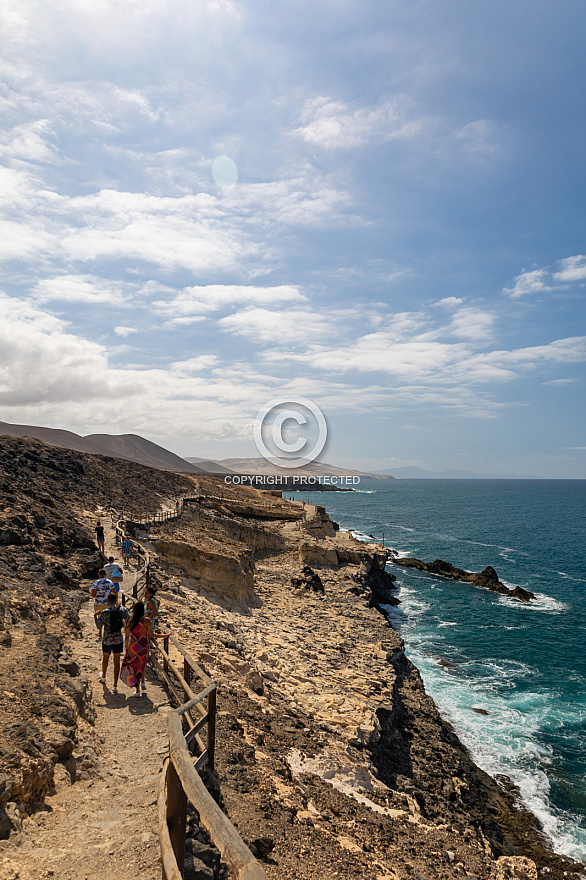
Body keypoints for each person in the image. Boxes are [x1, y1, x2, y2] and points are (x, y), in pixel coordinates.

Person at [120, 601, 168, 697]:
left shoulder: (130, 621)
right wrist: (165, 635)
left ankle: (137, 690)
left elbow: (126, 636)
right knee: (142, 665)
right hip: (144, 646)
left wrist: (127, 647)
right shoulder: (146, 620)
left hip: (133, 647)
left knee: (134, 667)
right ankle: (142, 683)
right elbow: (151, 635)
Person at [95, 593, 130, 692]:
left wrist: (95, 616)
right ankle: (115, 685)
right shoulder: (121, 610)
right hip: (118, 639)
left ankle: (104, 676)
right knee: (117, 661)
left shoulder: (105, 612)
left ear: (107, 601)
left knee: (105, 658)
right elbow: (129, 618)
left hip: (107, 639)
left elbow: (99, 626)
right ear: (115, 601)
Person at [91, 569, 116, 640]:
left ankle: (100, 632)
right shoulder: (109, 582)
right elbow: (114, 592)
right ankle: (109, 632)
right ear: (105, 574)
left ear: (98, 575)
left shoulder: (96, 583)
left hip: (98, 603)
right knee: (108, 617)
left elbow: (93, 594)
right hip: (107, 603)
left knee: (99, 617)